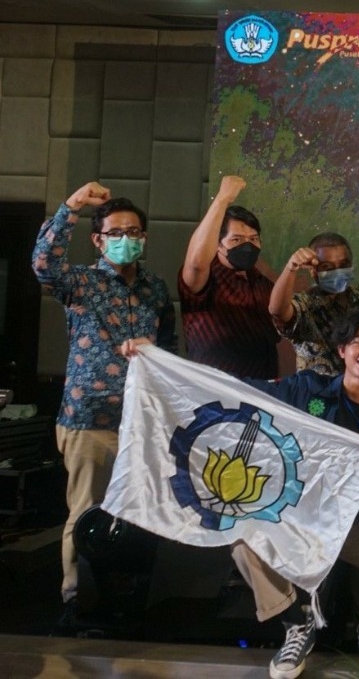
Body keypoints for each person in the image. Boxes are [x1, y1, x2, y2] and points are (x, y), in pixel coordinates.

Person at [125, 310, 359, 679]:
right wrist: (162, 358)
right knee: (241, 533)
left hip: (350, 527)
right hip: (293, 516)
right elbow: (237, 389)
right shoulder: (306, 389)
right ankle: (296, 622)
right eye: (358, 342)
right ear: (342, 350)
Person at [32, 181, 178, 625]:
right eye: (116, 232)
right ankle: (74, 600)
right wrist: (72, 206)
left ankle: (125, 599)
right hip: (89, 418)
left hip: (141, 423)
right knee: (87, 510)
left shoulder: (155, 288)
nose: (126, 239)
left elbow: (167, 348)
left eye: (134, 231)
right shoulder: (81, 282)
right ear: (98, 239)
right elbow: (43, 264)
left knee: (138, 514)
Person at [179, 175, 280, 378]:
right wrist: (222, 199)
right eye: (236, 239)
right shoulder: (204, 278)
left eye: (253, 239)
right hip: (215, 393)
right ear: (217, 244)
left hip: (262, 391)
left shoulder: (263, 284)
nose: (247, 245)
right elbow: (197, 263)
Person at [268, 231, 359, 374]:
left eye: (344, 265)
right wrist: (291, 268)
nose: (338, 272)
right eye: (327, 267)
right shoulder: (304, 304)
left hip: (357, 389)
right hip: (316, 392)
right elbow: (278, 311)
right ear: (313, 271)